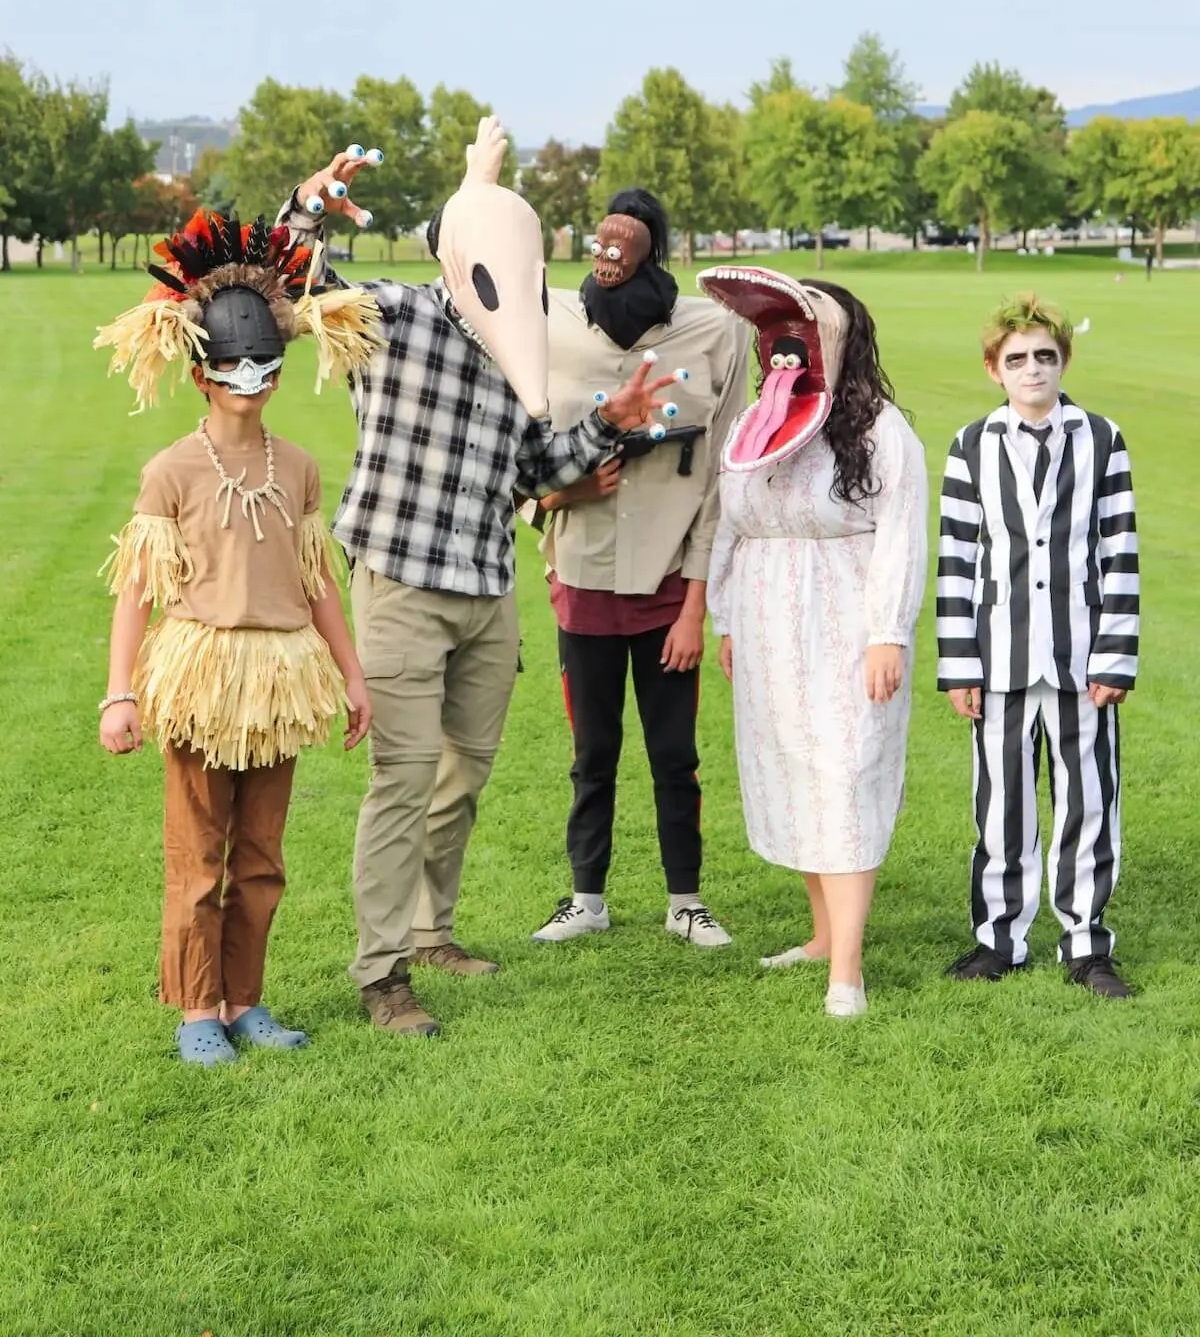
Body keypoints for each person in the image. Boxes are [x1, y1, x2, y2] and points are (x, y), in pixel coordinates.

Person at [279, 120, 678, 1037]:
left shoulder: (520, 351)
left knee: (464, 775)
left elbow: (539, 469)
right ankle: (382, 977)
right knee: (404, 778)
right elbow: (296, 289)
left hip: (487, 590)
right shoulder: (395, 314)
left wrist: (609, 421)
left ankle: (430, 931)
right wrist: (308, 208)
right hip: (402, 584)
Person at [94, 211, 378, 1065]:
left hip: (279, 676)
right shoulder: (171, 471)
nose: (249, 379)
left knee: (260, 857)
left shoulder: (296, 467)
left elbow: (318, 580)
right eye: (232, 368)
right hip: (200, 674)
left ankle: (246, 999)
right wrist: (120, 691)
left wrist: (353, 676)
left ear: (281, 377)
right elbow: (136, 591)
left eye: (264, 366)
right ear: (200, 376)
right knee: (197, 856)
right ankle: (196, 1010)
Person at [524, 190, 749, 948]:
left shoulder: (714, 329)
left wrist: (695, 607)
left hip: (667, 589)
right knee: (592, 753)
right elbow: (510, 448)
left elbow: (720, 475)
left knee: (674, 755)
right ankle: (586, 897)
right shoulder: (547, 320)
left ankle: (685, 900)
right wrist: (558, 495)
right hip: (580, 575)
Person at [700, 268, 927, 1018]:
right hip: (769, 622)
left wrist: (887, 635)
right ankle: (822, 935)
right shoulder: (754, 423)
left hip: (846, 619)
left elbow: (899, 537)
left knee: (846, 775)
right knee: (794, 771)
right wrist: (727, 619)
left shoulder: (879, 429)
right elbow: (729, 527)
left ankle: (849, 972)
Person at [937, 294, 1139, 997]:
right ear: (995, 368)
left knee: (1088, 803)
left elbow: (1120, 551)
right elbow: (957, 561)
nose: (1033, 370)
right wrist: (959, 664)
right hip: (998, 660)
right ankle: (1000, 939)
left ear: (1063, 362)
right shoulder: (971, 447)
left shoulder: (1102, 439)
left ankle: (1085, 943)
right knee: (1002, 807)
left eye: (1045, 357)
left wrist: (1114, 654)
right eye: (1017, 359)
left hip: (1082, 659)